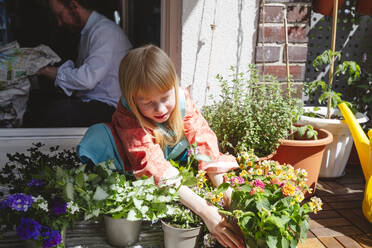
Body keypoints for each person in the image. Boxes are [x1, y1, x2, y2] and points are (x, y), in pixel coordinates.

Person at [77, 45, 245, 248]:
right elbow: (151, 163)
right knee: (97, 136)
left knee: (196, 141)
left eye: (165, 97)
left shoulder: (182, 99)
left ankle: (181, 182)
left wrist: (225, 191)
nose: (160, 109)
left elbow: (202, 140)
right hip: (136, 158)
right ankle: (130, 181)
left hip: (171, 154)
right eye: (147, 102)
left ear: (174, 86)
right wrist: (205, 211)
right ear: (132, 99)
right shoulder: (127, 114)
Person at [26, 0, 132, 127]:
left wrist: (50, 72)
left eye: (60, 15)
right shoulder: (89, 32)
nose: (59, 23)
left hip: (110, 109)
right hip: (93, 102)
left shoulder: (105, 32)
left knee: (60, 111)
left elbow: (86, 79)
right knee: (39, 100)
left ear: (73, 6)